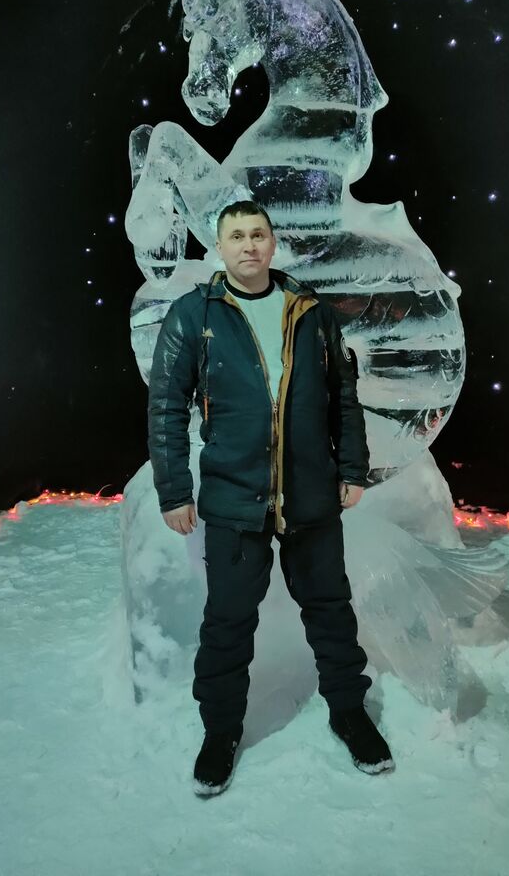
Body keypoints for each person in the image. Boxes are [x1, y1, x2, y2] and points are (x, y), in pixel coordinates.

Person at [148, 199, 394, 795]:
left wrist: (352, 468)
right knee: (228, 620)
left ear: (273, 242)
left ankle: (349, 712)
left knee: (331, 610)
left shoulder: (311, 312)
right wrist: (175, 490)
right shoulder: (193, 315)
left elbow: (342, 397)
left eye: (257, 234)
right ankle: (220, 730)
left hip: (309, 494)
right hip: (235, 499)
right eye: (236, 236)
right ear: (220, 247)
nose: (248, 245)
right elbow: (166, 407)